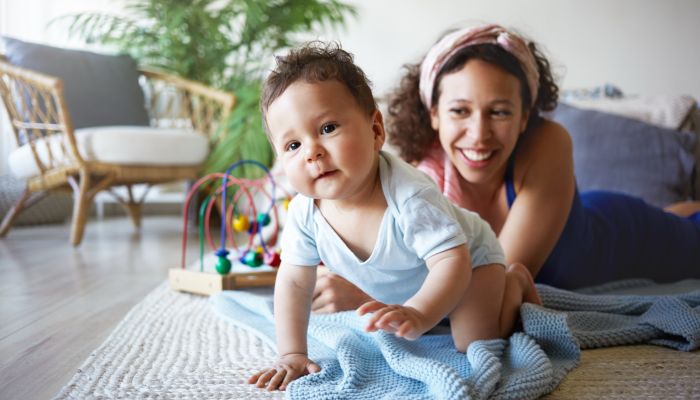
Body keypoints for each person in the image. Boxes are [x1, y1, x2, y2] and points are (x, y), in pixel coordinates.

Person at [309, 23, 700, 312]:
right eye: (459, 111)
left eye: (498, 112)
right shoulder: (417, 181)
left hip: (623, 235)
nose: (478, 135)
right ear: (434, 114)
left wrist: (370, 298)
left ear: (525, 116)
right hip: (585, 212)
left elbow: (491, 286)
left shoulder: (549, 142)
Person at [248, 41, 541, 392]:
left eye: (327, 128)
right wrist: (292, 352)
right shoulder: (303, 212)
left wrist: (419, 312)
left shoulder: (409, 195)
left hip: (471, 261)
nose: (312, 152)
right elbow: (295, 281)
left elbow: (452, 261)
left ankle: (513, 282)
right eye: (293, 145)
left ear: (375, 131)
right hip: (417, 280)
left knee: (472, 340)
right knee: (430, 322)